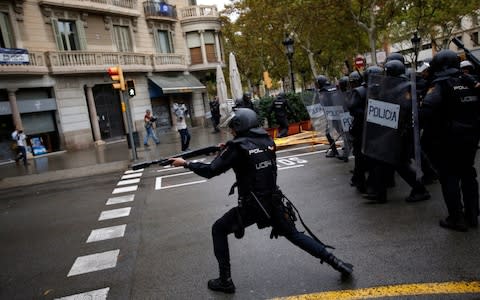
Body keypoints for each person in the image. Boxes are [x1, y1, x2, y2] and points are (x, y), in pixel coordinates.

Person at [169, 108, 353, 294]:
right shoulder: (267, 140)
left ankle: (225, 280)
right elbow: (250, 156)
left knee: (218, 228)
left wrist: (186, 163)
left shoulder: (237, 147)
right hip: (274, 201)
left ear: (240, 126)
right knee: (295, 235)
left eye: (233, 128)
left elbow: (211, 170)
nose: (232, 132)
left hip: (252, 205)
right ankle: (337, 263)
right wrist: (227, 149)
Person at [420, 50, 480, 231]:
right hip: (471, 137)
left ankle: (456, 218)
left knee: (449, 176)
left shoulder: (440, 85)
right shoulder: (471, 82)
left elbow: (427, 110)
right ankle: (472, 214)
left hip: (448, 139)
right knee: (468, 173)